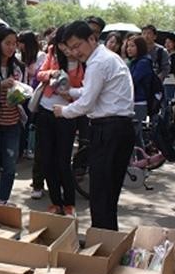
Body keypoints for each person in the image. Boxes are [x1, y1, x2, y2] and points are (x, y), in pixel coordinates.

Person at [53, 21, 135, 230]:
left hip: (109, 130)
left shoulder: (98, 62)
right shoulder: (106, 58)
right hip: (119, 129)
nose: (75, 52)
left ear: (91, 39)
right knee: (107, 196)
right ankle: (108, 239)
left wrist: (64, 111)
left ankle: (103, 241)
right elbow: (92, 91)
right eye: (71, 48)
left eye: (77, 45)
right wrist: (71, 92)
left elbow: (87, 103)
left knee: (101, 196)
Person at [36, 26, 84, 215]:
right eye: (62, 45)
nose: (65, 49)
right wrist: (51, 74)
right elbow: (39, 74)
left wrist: (69, 94)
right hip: (46, 111)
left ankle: (69, 203)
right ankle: (55, 202)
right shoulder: (52, 53)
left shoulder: (83, 60)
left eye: (68, 45)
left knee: (63, 161)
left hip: (67, 113)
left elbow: (85, 90)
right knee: (47, 159)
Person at [0, 26, 25, 204]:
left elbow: (22, 94)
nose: (11, 47)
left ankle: (3, 201)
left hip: (12, 123)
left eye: (14, 44)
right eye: (7, 43)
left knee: (9, 167)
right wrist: (0, 85)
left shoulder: (18, 67)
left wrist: (20, 95)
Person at [18, 30, 47, 198]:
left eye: (21, 42)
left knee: (31, 124)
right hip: (21, 94)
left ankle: (29, 148)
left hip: (35, 97)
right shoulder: (20, 56)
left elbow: (38, 76)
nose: (19, 45)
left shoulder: (41, 56)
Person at [126, 36, 153, 151]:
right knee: (137, 137)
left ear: (140, 47)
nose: (129, 49)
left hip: (139, 102)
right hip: (134, 101)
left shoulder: (143, 62)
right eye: (128, 46)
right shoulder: (134, 62)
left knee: (131, 136)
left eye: (132, 46)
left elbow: (132, 81)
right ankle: (143, 158)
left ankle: (131, 160)